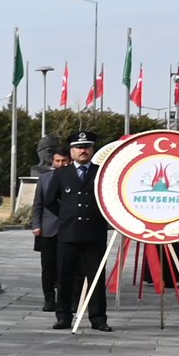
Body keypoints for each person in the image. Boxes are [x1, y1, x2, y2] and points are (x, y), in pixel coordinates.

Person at [50, 131, 111, 331]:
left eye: (86, 147)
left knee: (96, 278)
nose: (82, 150)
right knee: (65, 277)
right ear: (72, 150)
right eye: (78, 147)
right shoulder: (61, 173)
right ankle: (63, 316)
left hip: (94, 233)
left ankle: (98, 318)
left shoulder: (101, 172)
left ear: (92, 149)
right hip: (68, 234)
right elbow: (51, 200)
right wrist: (66, 216)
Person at [31, 141, 69, 313]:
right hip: (47, 230)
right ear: (53, 162)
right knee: (48, 268)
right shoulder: (44, 179)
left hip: (68, 230)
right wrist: (36, 225)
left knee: (67, 268)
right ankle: (49, 300)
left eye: (64, 161)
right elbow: (37, 204)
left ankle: (66, 300)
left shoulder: (73, 178)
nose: (60, 164)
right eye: (57, 161)